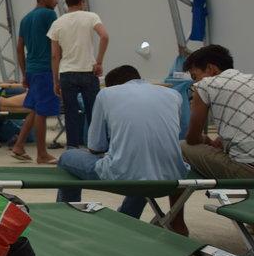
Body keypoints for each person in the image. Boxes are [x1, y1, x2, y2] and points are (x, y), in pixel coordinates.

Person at [55, 65, 187, 221]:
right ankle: (127, 217)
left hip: (125, 177)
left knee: (68, 157)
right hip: (172, 177)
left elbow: (95, 147)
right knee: (143, 169)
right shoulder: (173, 94)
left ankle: (66, 218)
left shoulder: (106, 94)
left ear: (112, 85)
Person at [180, 45, 254, 179]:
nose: (194, 82)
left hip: (247, 171)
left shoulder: (205, 85)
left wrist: (206, 139)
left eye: (194, 76)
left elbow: (192, 139)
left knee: (182, 146)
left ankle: (196, 189)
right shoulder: (250, 79)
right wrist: (219, 139)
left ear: (210, 68)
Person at [49, 0, 109, 148]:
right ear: (82, 1)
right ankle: (96, 146)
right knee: (94, 112)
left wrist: (56, 81)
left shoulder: (57, 23)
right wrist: (99, 62)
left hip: (67, 73)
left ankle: (72, 148)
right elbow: (104, 36)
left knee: (71, 113)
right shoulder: (91, 17)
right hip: (88, 71)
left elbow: (55, 56)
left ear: (67, 2)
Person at [10, 0, 61, 164]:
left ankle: (19, 145)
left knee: (35, 110)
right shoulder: (49, 14)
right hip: (45, 70)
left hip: (32, 70)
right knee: (42, 112)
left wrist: (25, 73)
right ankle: (42, 154)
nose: (56, 1)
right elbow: (57, 42)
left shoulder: (26, 19)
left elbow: (19, 49)